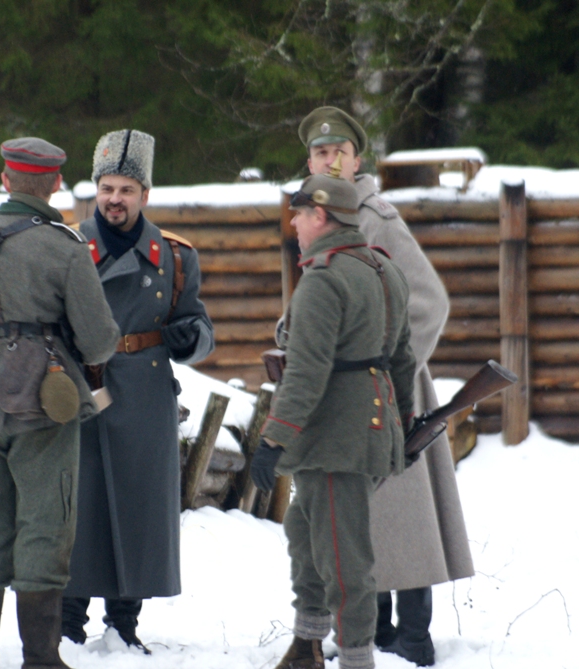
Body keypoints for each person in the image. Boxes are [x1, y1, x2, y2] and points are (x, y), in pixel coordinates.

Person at [0, 138, 121, 669]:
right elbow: (100, 340)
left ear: (5, 179)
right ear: (56, 183)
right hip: (46, 401)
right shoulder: (63, 246)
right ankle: (41, 656)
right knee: (46, 522)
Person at [298, 106, 475, 667]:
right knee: (367, 516)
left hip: (385, 392)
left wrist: (385, 370)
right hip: (360, 391)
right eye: (321, 154)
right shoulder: (329, 215)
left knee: (401, 513)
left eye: (339, 153)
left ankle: (412, 637)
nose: (330, 161)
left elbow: (429, 301)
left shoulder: (374, 215)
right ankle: (378, 632)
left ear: (357, 159)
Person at [251, 172, 417, 669]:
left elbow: (305, 372)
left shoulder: (325, 277)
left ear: (320, 216)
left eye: (299, 216)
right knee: (305, 534)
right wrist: (403, 424)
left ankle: (356, 658)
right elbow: (404, 360)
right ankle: (307, 647)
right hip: (371, 427)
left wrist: (273, 439)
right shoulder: (384, 270)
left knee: (344, 558)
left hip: (333, 437)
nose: (295, 226)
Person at [61, 129, 215, 651]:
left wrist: (190, 338)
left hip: (146, 393)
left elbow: (199, 324)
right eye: (107, 188)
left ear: (145, 195)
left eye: (126, 189)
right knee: (79, 507)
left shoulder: (174, 257)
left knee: (138, 507)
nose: (114, 199)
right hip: (80, 389)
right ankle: (66, 622)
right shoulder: (67, 246)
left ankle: (123, 624)